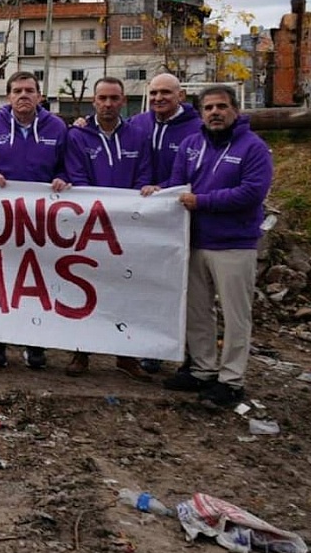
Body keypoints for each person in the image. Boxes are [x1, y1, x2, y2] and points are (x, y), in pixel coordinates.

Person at [157, 85, 273, 408]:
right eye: (208, 108)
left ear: (235, 110)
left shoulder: (253, 148)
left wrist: (202, 201)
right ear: (201, 113)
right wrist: (156, 191)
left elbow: (251, 193)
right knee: (197, 310)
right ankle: (202, 369)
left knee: (236, 316)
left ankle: (232, 380)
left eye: (221, 106)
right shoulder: (191, 145)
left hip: (234, 244)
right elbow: (177, 185)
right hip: (194, 241)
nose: (215, 113)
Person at [0, 71, 70, 369]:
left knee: (38, 282)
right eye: (17, 91)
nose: (23, 95)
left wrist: (62, 178)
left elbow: (69, 165)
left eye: (29, 90)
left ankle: (35, 345)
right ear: (8, 96)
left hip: (42, 218)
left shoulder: (57, 127)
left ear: (40, 96)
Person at [62, 76, 155, 380]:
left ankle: (126, 355)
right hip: (90, 225)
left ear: (123, 101)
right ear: (94, 101)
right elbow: (77, 176)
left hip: (127, 226)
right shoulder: (77, 136)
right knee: (85, 288)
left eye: (114, 98)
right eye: (102, 98)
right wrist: (99, 209)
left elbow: (144, 176)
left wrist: (133, 206)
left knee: (124, 288)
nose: (108, 104)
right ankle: (81, 351)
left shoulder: (138, 136)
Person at [132, 73, 202, 186]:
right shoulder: (137, 123)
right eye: (153, 93)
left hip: (178, 195)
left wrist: (161, 188)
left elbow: (198, 172)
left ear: (181, 95)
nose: (158, 98)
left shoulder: (199, 129)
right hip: (138, 194)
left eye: (165, 92)